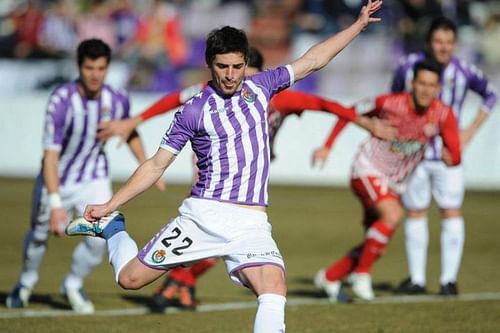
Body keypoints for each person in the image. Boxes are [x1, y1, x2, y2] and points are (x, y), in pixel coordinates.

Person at [65, 2, 383, 331]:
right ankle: (113, 227)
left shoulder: (262, 87)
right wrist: (110, 204)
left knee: (273, 288)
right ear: (210, 65)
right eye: (222, 66)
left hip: (251, 224)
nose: (230, 75)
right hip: (203, 217)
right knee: (130, 279)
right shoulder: (194, 111)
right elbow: (156, 164)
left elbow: (314, 60)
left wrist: (357, 26)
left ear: (246, 63)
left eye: (237, 66)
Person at [97, 46, 394, 310]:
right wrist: (136, 120)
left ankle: (182, 282)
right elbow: (174, 99)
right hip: (209, 185)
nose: (234, 79)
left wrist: (363, 124)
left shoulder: (275, 94)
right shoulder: (207, 94)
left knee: (255, 272)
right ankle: (179, 280)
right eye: (226, 69)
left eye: (242, 71)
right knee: (202, 243)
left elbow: (325, 102)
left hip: (248, 191)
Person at [5, 38, 163, 314]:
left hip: (93, 178)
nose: (95, 74)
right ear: (79, 67)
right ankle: (26, 282)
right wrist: (56, 206)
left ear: (107, 68)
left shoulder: (116, 99)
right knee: (39, 236)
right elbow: (50, 157)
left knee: (98, 239)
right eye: (89, 67)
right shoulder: (61, 101)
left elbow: (128, 131)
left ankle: (73, 284)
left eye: (101, 68)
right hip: (57, 179)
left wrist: (147, 165)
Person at [314, 60, 461, 302]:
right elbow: (349, 111)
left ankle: (330, 277)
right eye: (421, 84)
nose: (425, 90)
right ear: (412, 84)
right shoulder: (389, 103)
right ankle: (361, 275)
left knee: (377, 240)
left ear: (438, 89)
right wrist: (327, 146)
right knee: (392, 216)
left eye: (431, 86)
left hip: (396, 182)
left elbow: (455, 153)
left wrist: (451, 158)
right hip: (367, 168)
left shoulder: (443, 114)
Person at [391, 16, 498, 295]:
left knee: (451, 211)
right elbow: (393, 100)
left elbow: (490, 95)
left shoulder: (464, 72)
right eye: (438, 41)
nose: (443, 47)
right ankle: (417, 280)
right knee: (415, 212)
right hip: (414, 154)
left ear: (455, 44)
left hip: (449, 156)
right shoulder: (408, 65)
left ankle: (448, 280)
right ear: (429, 42)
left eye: (449, 42)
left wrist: (468, 133)